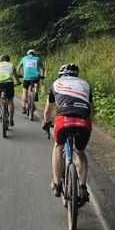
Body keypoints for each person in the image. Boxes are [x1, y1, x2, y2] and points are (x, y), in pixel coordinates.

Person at [42, 64, 94, 204]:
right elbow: (91, 109)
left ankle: (57, 184)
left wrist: (46, 123)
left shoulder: (55, 84)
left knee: (58, 146)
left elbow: (48, 111)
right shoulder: (85, 85)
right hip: (83, 121)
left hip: (63, 120)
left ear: (61, 75)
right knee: (80, 152)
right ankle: (82, 187)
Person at [0, 54, 21, 126]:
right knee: (10, 101)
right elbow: (16, 75)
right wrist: (18, 82)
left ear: (1, 60)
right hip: (9, 83)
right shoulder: (11, 65)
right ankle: (11, 120)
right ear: (8, 60)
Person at [17, 49, 45, 114]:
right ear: (34, 54)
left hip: (26, 77)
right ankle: (36, 92)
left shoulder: (24, 58)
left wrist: (18, 74)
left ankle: (24, 107)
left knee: (24, 92)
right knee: (37, 82)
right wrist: (42, 75)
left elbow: (18, 67)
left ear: (27, 54)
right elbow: (43, 68)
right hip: (35, 77)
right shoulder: (37, 59)